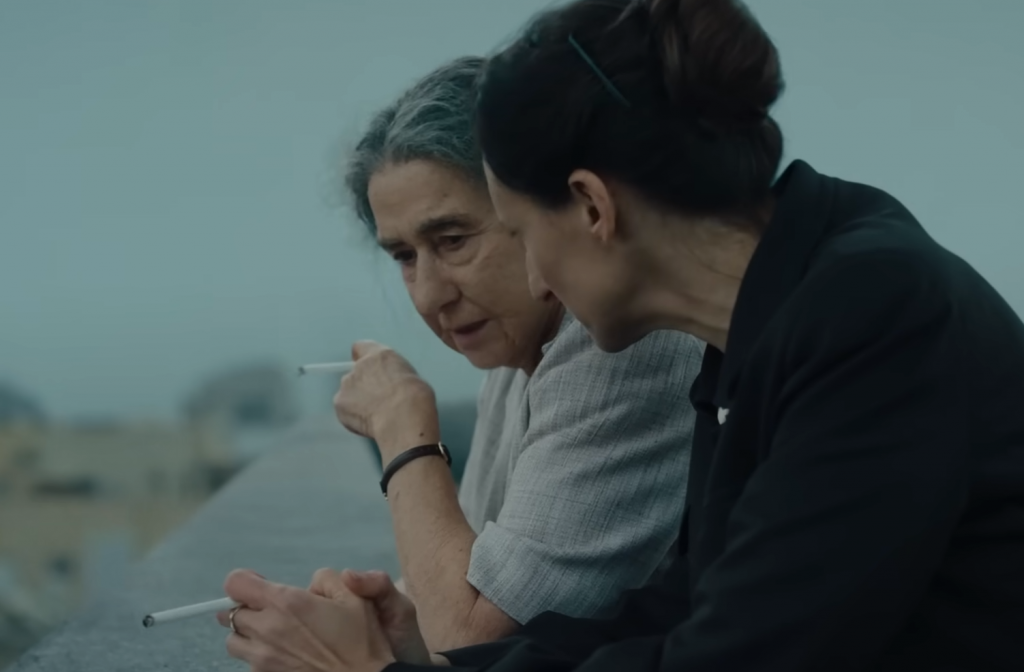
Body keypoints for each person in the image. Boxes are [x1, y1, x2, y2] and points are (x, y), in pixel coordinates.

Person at [217, 0, 1024, 670]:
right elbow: (681, 612)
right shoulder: (770, 312)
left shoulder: (872, 314)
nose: (537, 282)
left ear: (592, 207)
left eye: (521, 233)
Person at [221, 55, 704, 656]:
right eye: (404, 257)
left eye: (452, 241)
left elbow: (473, 636)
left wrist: (402, 427)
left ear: (540, 213)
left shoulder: (627, 346)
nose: (429, 296)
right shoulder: (517, 351)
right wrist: (392, 625)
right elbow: (467, 603)